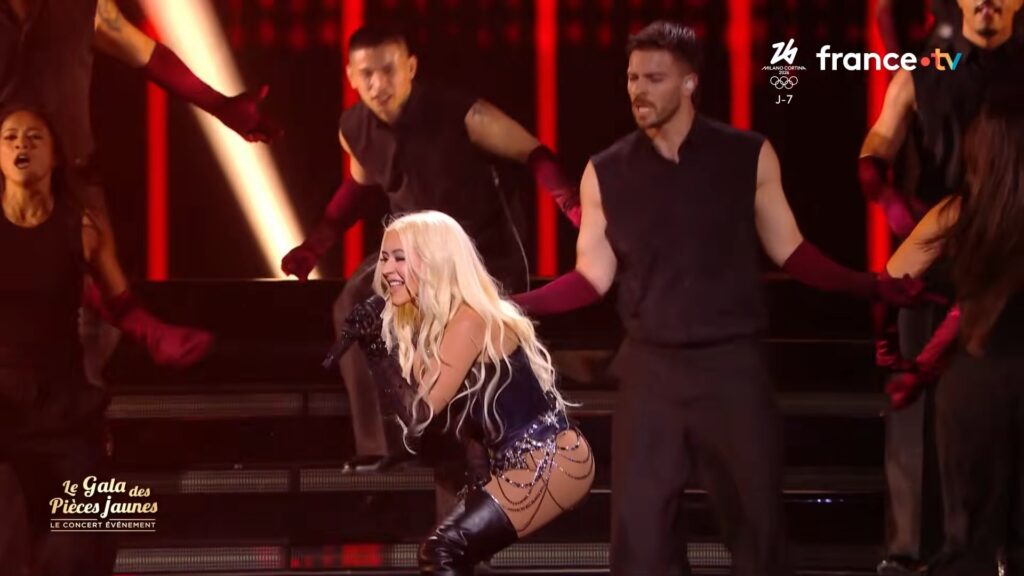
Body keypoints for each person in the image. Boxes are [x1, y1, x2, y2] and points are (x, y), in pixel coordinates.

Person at [512, 21, 929, 576]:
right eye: (633, 78)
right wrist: (511, 305)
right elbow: (591, 277)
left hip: (732, 368)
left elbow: (792, 252)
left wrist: (871, 284)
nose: (638, 90)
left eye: (654, 78)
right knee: (641, 541)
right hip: (651, 372)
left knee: (757, 531)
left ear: (689, 83)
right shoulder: (604, 171)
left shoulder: (747, 155)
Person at [280, 24, 580, 477]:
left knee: (462, 346)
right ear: (351, 77)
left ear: (410, 68)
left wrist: (573, 206)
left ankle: (491, 458)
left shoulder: (463, 113)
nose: (378, 84)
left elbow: (533, 152)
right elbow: (359, 186)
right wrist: (316, 243)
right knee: (354, 304)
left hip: (480, 253)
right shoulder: (354, 128)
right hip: (415, 253)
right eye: (367, 74)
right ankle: (383, 445)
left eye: (388, 70)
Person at [1, 0, 282, 379]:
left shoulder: (83, 8)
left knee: (94, 316)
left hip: (73, 177)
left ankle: (84, 402)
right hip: (11, 187)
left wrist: (221, 106)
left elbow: (146, 54)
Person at [859, 1, 1023, 571]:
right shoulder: (930, 67)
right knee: (919, 405)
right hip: (939, 252)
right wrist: (883, 190)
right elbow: (880, 139)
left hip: (1011, 260)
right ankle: (911, 551)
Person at [342, 210, 594, 575]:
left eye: (399, 258)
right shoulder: (436, 327)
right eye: (383, 258)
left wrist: (375, 351)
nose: (386, 270)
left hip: (550, 460)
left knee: (442, 549)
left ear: (436, 262)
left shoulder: (469, 321)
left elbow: (418, 416)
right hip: (513, 465)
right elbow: (452, 426)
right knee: (456, 553)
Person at [0, 106, 127, 576]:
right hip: (5, 404)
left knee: (86, 535)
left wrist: (91, 383)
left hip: (64, 402)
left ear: (55, 155)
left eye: (34, 137)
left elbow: (118, 313)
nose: (21, 145)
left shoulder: (83, 228)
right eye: (10, 137)